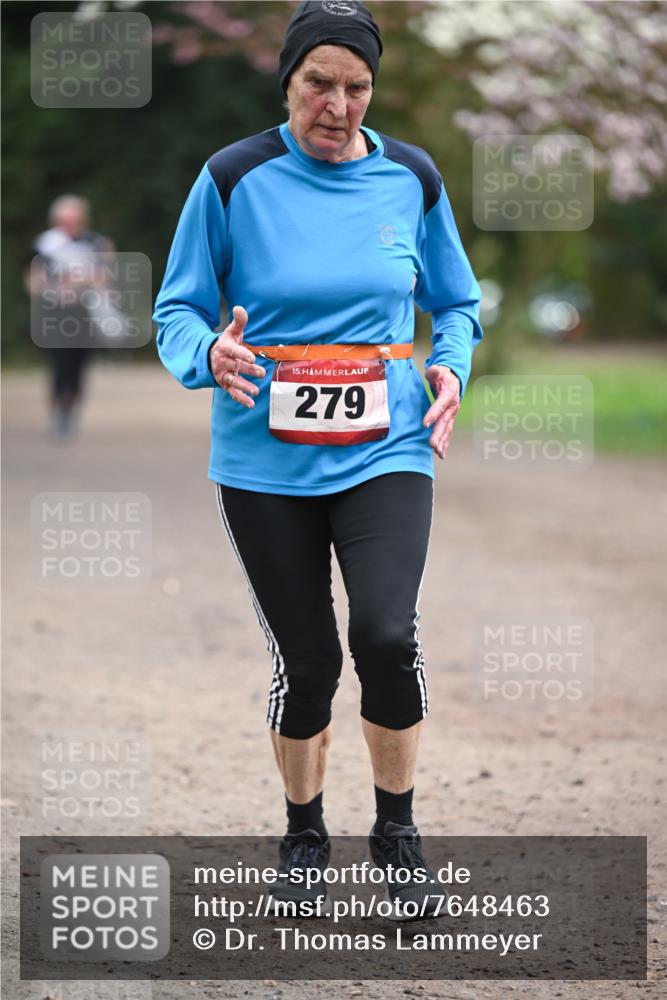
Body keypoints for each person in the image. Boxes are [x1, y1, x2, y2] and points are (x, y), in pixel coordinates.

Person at [154, 0, 483, 919]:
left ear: (371, 88)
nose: (337, 105)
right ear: (288, 83)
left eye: (355, 86)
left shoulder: (410, 178)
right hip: (264, 459)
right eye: (318, 84)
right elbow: (177, 307)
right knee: (307, 663)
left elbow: (456, 303)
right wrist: (205, 355)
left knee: (383, 631)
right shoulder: (232, 177)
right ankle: (304, 832)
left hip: (388, 445)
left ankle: (396, 829)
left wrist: (450, 368)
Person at [25, 195, 115, 438]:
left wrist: (84, 281)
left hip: (86, 314)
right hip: (56, 314)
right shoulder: (45, 245)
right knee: (59, 363)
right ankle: (59, 411)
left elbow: (106, 277)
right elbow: (33, 282)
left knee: (79, 365)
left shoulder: (96, 243)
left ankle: (69, 410)